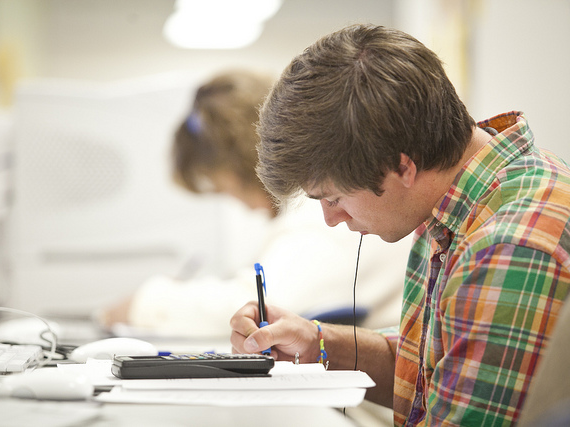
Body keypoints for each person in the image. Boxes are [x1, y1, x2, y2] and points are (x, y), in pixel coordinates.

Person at [229, 24, 570, 426]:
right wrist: (318, 343)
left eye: (334, 198)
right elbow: (431, 369)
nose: (331, 218)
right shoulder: (456, 200)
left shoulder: (508, 246)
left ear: (400, 166)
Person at [100, 70, 410, 337]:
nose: (241, 206)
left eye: (224, 188)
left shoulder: (323, 210)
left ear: (242, 164)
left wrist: (145, 304)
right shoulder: (320, 202)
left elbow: (262, 306)